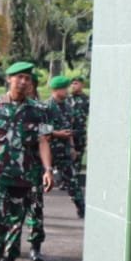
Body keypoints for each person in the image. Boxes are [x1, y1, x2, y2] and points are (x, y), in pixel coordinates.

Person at [0, 62, 53, 261]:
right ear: (9, 79)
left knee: (16, 225)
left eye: (27, 78)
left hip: (25, 178)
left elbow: (44, 140)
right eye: (19, 77)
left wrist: (48, 170)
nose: (23, 82)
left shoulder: (40, 110)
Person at [45, 75, 85, 218]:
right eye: (64, 88)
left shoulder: (68, 107)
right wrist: (57, 134)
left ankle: (82, 209)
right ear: (56, 90)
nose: (67, 91)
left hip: (64, 151)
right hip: (48, 151)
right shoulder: (46, 107)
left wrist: (72, 147)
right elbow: (42, 131)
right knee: (38, 184)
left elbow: (69, 129)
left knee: (72, 181)